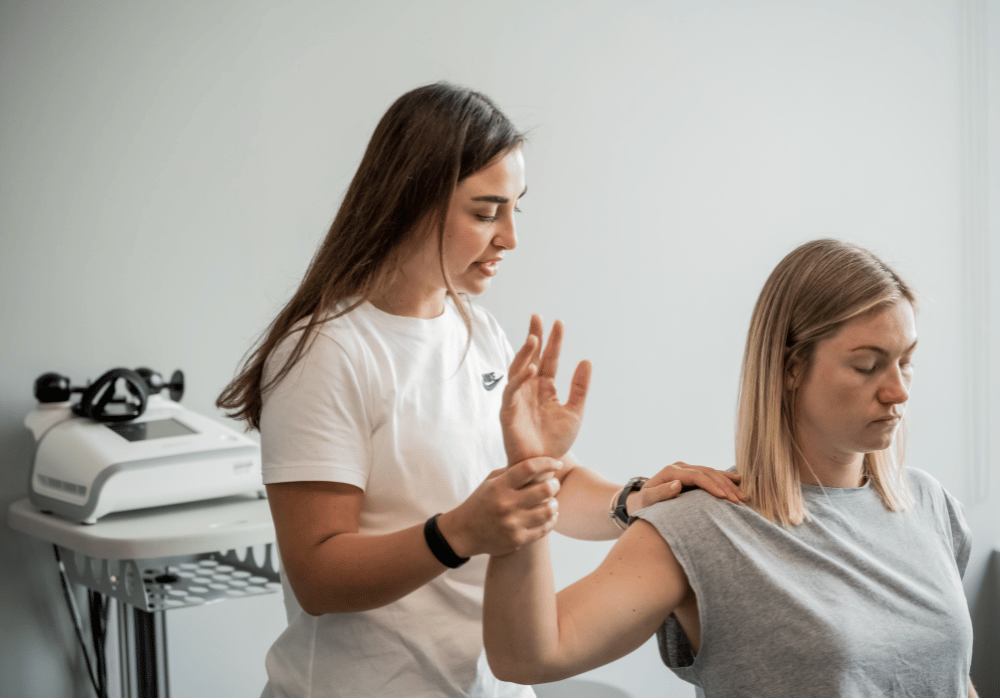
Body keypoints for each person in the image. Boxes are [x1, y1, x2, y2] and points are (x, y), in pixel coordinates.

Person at [216, 82, 744, 698]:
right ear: (408, 201)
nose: (510, 237)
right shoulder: (328, 353)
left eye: (517, 208)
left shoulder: (477, 330)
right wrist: (459, 533)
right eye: (486, 212)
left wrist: (635, 502)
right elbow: (319, 574)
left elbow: (547, 485)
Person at [484, 238, 978, 698]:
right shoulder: (701, 529)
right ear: (790, 369)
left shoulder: (929, 506)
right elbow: (528, 657)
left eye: (906, 362)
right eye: (867, 365)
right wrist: (531, 473)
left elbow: (950, 678)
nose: (898, 391)